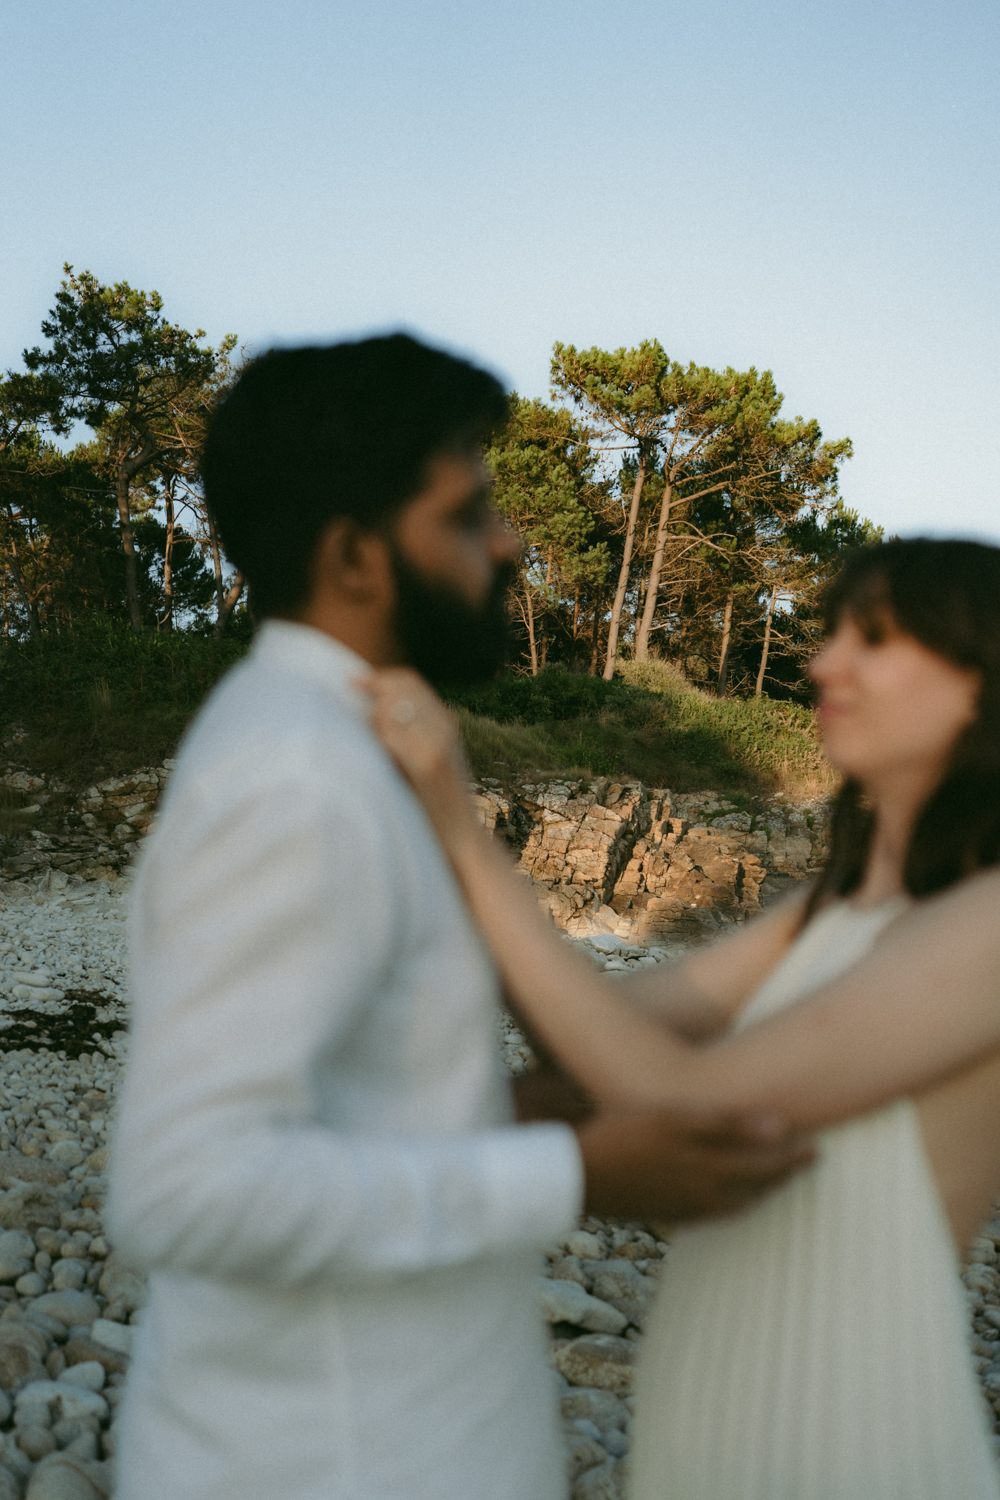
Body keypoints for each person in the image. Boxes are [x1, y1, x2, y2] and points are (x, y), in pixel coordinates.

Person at [106, 334, 810, 1500]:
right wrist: (571, 1172)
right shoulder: (296, 778)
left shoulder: (349, 745)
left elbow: (355, 1093)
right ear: (354, 556)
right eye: (469, 512)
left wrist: (508, 1103)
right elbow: (184, 1189)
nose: (513, 541)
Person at [365, 536, 1000, 1500]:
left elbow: (679, 1093)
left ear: (983, 683)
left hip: (856, 1435)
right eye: (830, 633)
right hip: (708, 1415)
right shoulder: (834, 902)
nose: (825, 662)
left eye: (873, 639)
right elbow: (595, 1034)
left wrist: (460, 827)